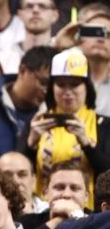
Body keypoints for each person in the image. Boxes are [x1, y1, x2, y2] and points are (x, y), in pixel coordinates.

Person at [20, 48, 110, 206]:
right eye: (61, 85)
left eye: (75, 85)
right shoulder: (36, 123)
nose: (68, 92)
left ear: (87, 87)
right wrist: (31, 144)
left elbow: (107, 175)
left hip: (90, 211)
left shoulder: (104, 125)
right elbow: (17, 172)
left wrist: (87, 145)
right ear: (51, 88)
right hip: (42, 210)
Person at [0, 46, 56, 161]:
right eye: (43, 83)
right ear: (23, 71)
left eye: (53, 86)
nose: (46, 91)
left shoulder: (52, 113)